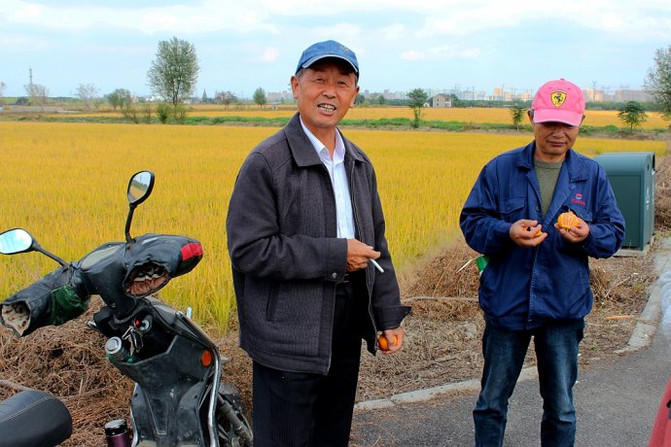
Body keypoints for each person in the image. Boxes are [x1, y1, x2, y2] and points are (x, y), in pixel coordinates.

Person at [226, 40, 410, 447]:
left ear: (353, 96)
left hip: (346, 322)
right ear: (295, 85)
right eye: (319, 79)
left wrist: (387, 315)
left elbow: (378, 244)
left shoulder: (359, 163)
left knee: (332, 435)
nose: (330, 91)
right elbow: (249, 249)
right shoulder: (268, 162)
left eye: (342, 83)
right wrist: (335, 255)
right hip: (287, 331)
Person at [459, 78, 625, 446]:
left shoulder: (591, 175)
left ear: (580, 122)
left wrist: (588, 234)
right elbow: (472, 223)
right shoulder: (500, 170)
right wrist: (506, 231)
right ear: (533, 117)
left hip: (563, 309)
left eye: (567, 123)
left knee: (562, 408)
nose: (558, 132)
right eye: (549, 122)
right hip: (507, 305)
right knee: (491, 403)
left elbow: (614, 232)